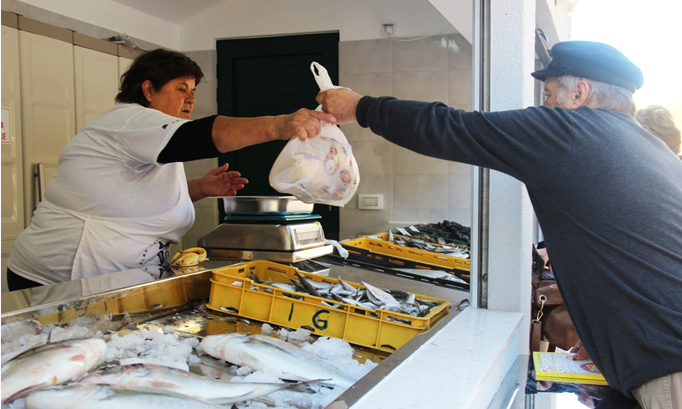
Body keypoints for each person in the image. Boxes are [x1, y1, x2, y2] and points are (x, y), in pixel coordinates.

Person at [317, 41, 682, 408]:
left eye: (549, 94)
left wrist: (361, 107)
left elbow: (449, 127)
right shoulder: (650, 149)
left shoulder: (571, 133)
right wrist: (608, 337)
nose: (544, 106)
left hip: (667, 368)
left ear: (580, 93)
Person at [6, 49, 335, 291]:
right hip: (57, 281)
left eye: (193, 91)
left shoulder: (151, 136)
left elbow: (130, 196)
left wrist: (200, 188)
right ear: (148, 90)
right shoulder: (130, 121)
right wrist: (280, 124)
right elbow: (204, 136)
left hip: (116, 281)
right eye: (181, 88)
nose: (190, 99)